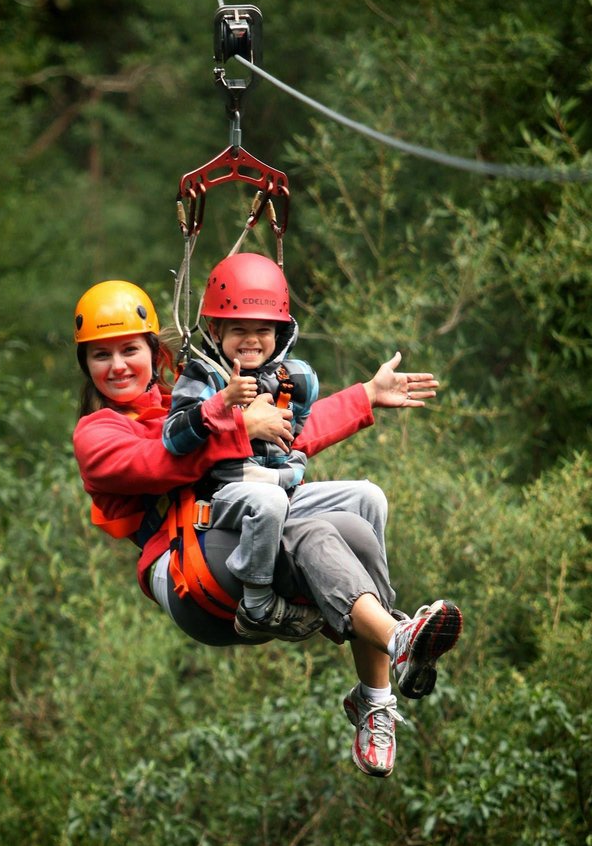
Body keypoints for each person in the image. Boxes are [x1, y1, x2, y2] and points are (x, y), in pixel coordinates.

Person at [72, 279, 463, 778]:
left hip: (238, 531)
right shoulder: (98, 434)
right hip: (186, 568)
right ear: (85, 365)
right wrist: (239, 427)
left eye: (130, 349)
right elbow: (163, 463)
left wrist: (364, 397)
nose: (119, 365)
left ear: (154, 351)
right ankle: (397, 637)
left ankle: (375, 696)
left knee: (359, 524)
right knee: (310, 531)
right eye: (101, 355)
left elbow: (284, 437)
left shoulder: (187, 398)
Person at [163, 252, 377, 643]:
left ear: (279, 333)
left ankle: (377, 604)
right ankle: (257, 602)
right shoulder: (204, 375)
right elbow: (173, 437)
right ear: (217, 331)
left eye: (263, 330)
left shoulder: (288, 378)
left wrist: (369, 395)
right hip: (225, 498)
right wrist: (223, 407)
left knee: (368, 496)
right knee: (269, 501)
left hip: (283, 489)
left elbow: (303, 432)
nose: (251, 340)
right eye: (238, 329)